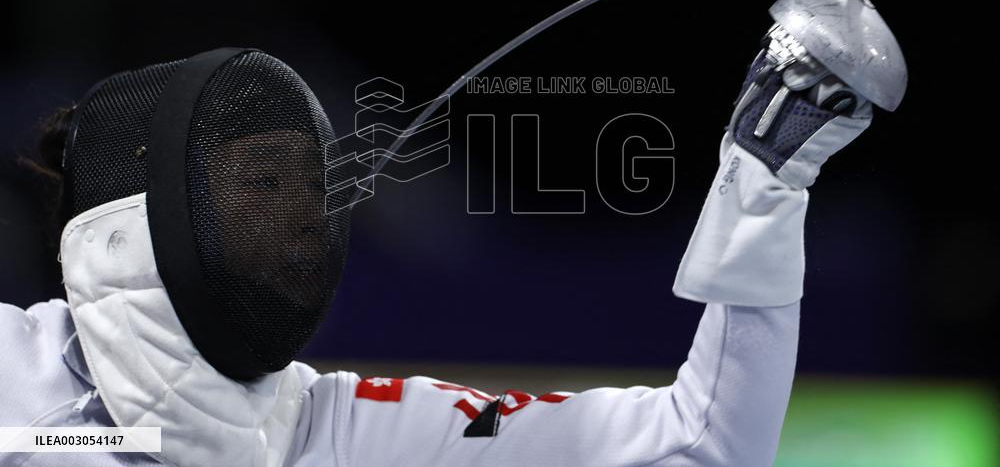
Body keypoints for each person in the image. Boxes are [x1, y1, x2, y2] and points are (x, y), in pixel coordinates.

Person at [0, 30, 879, 466]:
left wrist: (763, 187)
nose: (307, 215)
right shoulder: (16, 377)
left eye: (313, 187)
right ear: (138, 222)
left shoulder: (348, 429)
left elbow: (701, 444)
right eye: (264, 183)